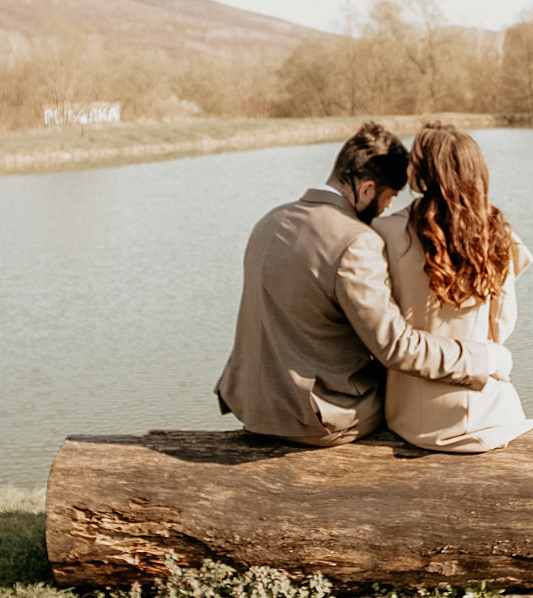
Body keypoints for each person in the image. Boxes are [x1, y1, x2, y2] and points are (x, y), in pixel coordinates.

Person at [214, 122, 510, 446]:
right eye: (389, 198)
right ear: (367, 189)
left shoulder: (269, 221)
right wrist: (484, 359)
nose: (387, 209)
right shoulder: (356, 242)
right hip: (319, 420)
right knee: (408, 394)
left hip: (253, 409)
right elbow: (397, 347)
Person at [370, 122, 533, 453]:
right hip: (490, 413)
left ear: (419, 173)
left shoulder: (383, 233)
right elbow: (501, 329)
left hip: (411, 418)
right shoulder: (499, 234)